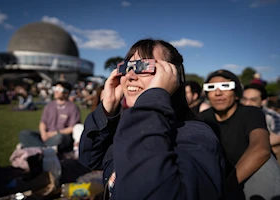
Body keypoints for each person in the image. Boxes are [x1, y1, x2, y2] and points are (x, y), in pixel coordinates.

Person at [79, 39, 225, 200]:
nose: (130, 76)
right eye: (126, 67)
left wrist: (154, 96)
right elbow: (90, 159)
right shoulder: (130, 124)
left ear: (172, 76)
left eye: (144, 66)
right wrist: (107, 109)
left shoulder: (196, 135)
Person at [200, 69, 280, 200]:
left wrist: (226, 188)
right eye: (211, 88)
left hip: (247, 176)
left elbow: (261, 149)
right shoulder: (203, 118)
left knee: (267, 163)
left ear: (236, 94)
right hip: (218, 175)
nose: (218, 92)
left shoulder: (251, 113)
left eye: (226, 86)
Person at [19, 81, 81, 153]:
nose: (56, 91)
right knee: (24, 133)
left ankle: (37, 148)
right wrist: (43, 134)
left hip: (60, 135)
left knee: (60, 138)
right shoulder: (49, 105)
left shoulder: (73, 107)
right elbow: (43, 122)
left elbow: (72, 128)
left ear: (67, 93)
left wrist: (53, 133)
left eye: (59, 89)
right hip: (46, 135)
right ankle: (46, 149)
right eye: (55, 88)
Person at [241, 83, 280, 163]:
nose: (247, 103)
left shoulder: (271, 116)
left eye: (253, 100)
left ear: (263, 101)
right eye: (244, 99)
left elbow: (278, 135)